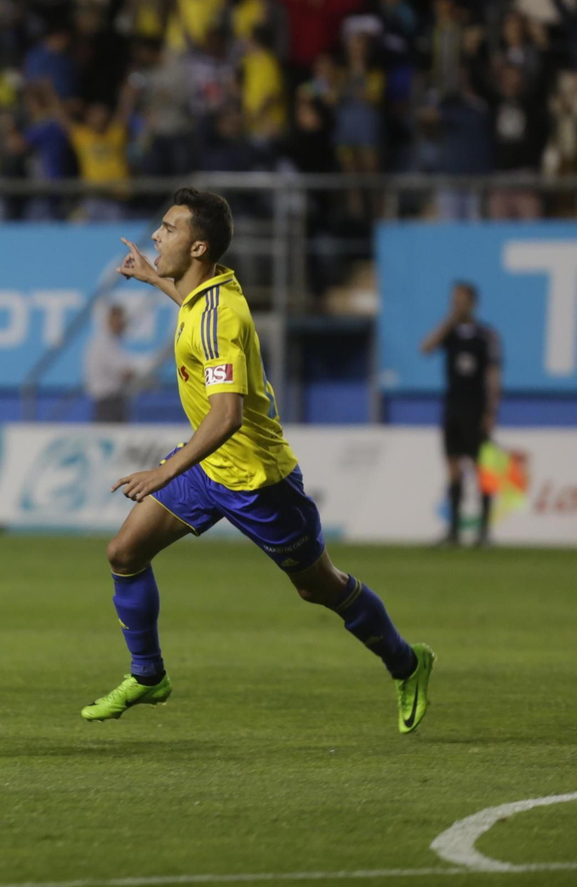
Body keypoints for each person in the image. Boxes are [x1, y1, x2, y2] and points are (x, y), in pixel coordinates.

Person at [99, 188, 433, 732]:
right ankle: (148, 674)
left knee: (317, 587)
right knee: (125, 550)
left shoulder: (219, 318)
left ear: (200, 246)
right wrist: (153, 276)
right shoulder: (205, 292)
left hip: (259, 482)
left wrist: (163, 470)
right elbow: (192, 308)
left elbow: (226, 416)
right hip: (208, 469)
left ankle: (407, 662)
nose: (157, 234)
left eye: (169, 228)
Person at [419, 282, 502, 547]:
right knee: (453, 469)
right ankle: (454, 531)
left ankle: (484, 532)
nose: (456, 305)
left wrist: (491, 411)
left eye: (461, 300)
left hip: (476, 410)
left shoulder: (485, 335)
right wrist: (448, 322)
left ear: (473, 303)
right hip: (452, 408)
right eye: (453, 300)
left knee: (481, 470)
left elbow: (493, 374)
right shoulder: (451, 333)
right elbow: (426, 348)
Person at [83, 303, 159, 423]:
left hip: (114, 402)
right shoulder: (103, 343)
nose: (123, 324)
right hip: (108, 404)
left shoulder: (114, 343)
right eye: (120, 320)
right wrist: (146, 379)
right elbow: (124, 373)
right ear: (111, 320)